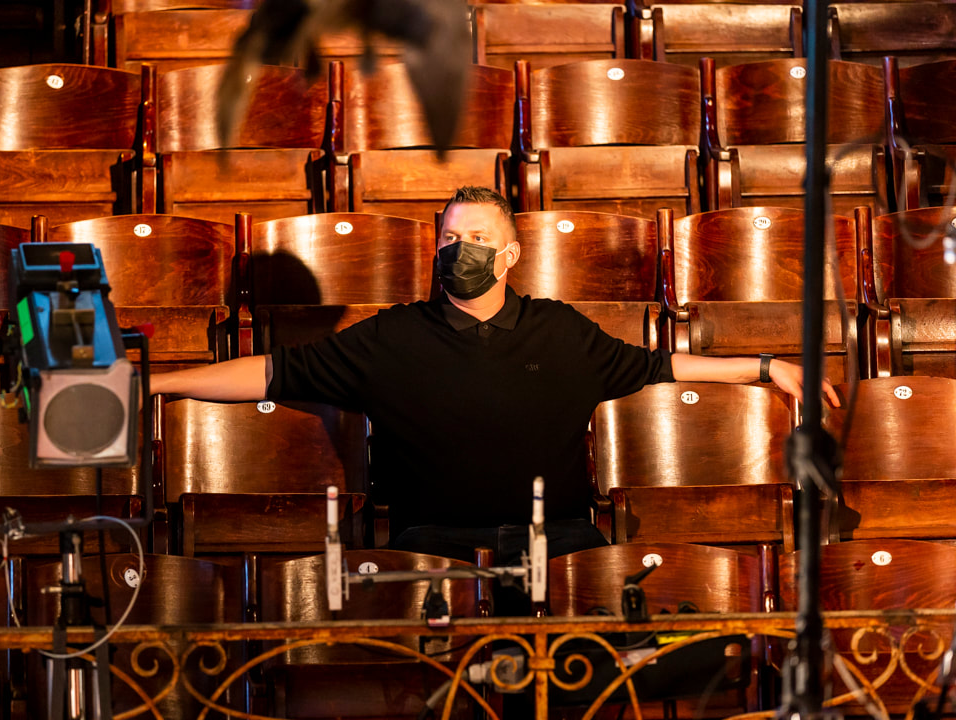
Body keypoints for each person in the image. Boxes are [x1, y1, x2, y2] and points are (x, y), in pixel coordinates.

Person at [152, 186, 838, 565]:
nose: (461, 250)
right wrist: (156, 383)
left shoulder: (560, 330)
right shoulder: (391, 336)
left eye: (477, 239)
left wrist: (766, 365)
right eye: (451, 239)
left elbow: (658, 365)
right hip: (431, 545)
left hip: (558, 540)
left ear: (508, 255)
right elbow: (272, 373)